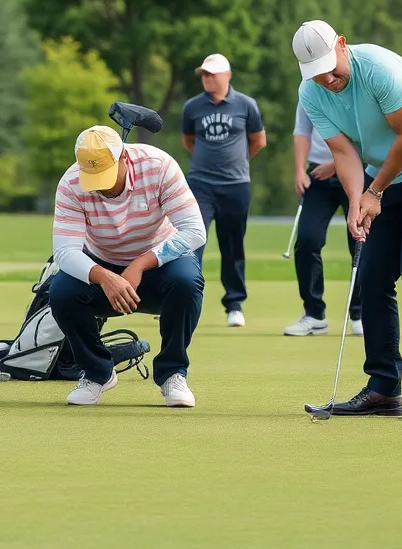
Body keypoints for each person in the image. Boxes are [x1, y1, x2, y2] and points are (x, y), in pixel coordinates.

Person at [294, 19, 402, 420]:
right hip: (383, 177)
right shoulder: (311, 93)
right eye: (316, 74)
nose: (327, 79)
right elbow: (344, 153)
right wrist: (357, 199)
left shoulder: (378, 67)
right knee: (371, 275)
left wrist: (374, 193)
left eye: (329, 68)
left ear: (342, 43)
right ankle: (384, 389)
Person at [49, 125, 206, 407]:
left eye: (106, 174)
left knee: (187, 280)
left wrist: (139, 265)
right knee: (61, 290)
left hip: (160, 262)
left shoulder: (158, 165)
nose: (101, 184)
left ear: (124, 157)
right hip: (102, 264)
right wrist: (105, 277)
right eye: (92, 176)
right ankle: (98, 372)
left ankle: (172, 373)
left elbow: (195, 231)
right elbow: (65, 252)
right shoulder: (71, 183)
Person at [180, 53, 266, 327]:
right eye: (204, 74)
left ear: (227, 76)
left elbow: (258, 141)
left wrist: (237, 163)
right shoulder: (192, 107)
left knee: (232, 246)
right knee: (192, 241)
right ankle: (185, 299)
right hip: (200, 185)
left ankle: (234, 304)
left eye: (212, 74)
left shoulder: (246, 105)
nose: (207, 79)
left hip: (236, 186)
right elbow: (188, 140)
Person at [281, 101, 363, 337]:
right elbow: (302, 131)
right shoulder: (308, 89)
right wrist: (299, 170)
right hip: (318, 173)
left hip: (357, 168)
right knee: (307, 240)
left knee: (359, 242)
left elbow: (368, 135)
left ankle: (360, 313)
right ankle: (315, 314)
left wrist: (336, 165)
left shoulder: (355, 86)